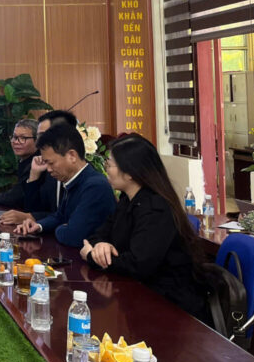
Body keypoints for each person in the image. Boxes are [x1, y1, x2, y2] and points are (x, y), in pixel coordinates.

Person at [79, 135, 209, 321]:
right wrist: (100, 245)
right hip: (136, 296)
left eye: (110, 164)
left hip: (170, 307)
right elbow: (99, 234)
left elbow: (138, 264)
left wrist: (93, 256)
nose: (106, 168)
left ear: (130, 173)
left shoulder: (156, 209)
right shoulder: (127, 200)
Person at [16, 123, 116, 247]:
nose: (48, 169)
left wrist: (62, 227)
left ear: (72, 156)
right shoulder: (75, 179)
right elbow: (60, 216)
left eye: (51, 163)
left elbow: (73, 236)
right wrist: (39, 226)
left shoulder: (95, 186)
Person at [0, 111, 75, 225]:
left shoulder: (81, 175)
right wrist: (34, 175)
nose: (40, 142)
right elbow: (35, 208)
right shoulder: (44, 166)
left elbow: (68, 218)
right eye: (14, 137)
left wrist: (32, 217)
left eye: (43, 136)